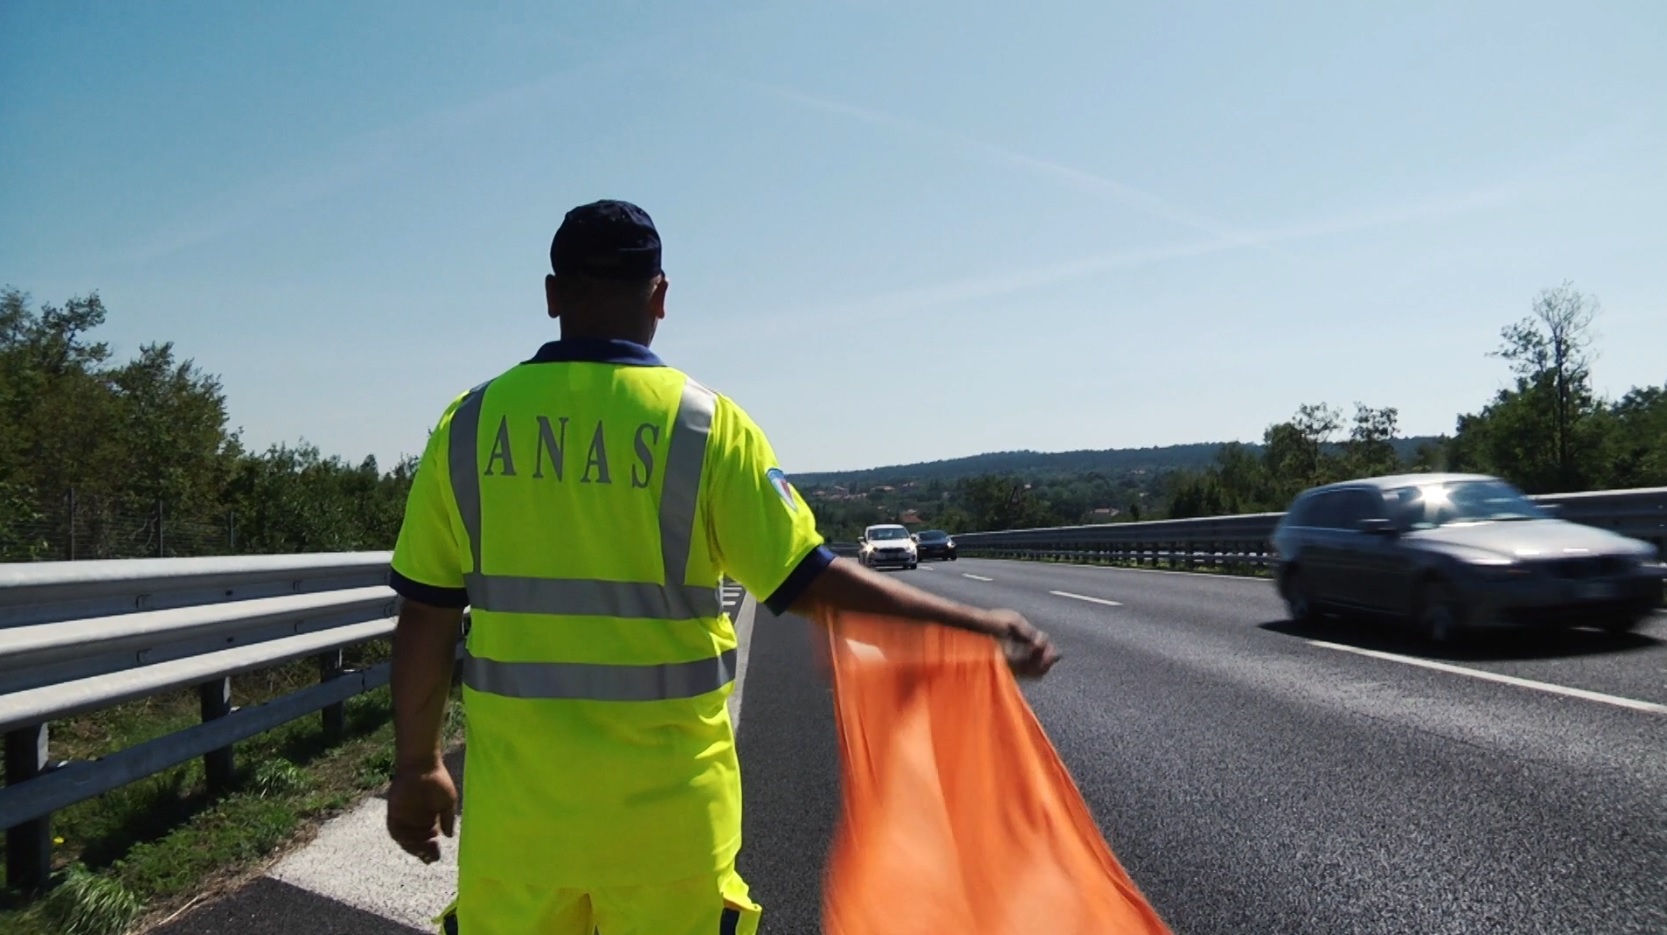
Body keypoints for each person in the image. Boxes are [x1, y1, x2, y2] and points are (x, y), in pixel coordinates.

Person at [383, 198, 1061, 935]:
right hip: (671, 835)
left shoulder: (469, 425)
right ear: (661, 295)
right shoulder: (706, 426)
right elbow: (809, 580)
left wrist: (417, 765)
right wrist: (967, 624)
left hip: (517, 839)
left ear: (551, 294)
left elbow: (425, 613)